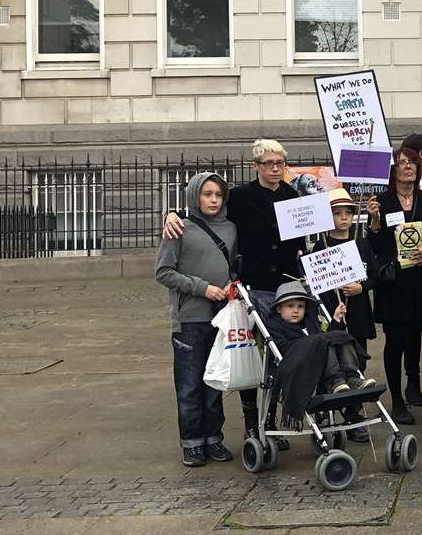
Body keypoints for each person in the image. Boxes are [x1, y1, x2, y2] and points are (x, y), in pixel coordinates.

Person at [162, 138, 302, 440]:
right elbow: (203, 215)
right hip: (251, 289)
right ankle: (253, 423)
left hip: (285, 287)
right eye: (269, 163)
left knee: (280, 355)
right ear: (257, 166)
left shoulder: (294, 195)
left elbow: (303, 239)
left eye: (280, 163)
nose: (275, 168)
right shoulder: (240, 197)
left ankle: (273, 418)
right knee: (251, 357)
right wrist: (171, 215)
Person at [154, 172, 238, 467]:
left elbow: (234, 266)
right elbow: (164, 272)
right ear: (195, 196)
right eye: (207, 194)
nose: (213, 200)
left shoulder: (230, 229)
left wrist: (231, 285)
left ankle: (213, 438)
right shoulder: (179, 228)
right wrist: (202, 288)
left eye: (218, 194)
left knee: (214, 383)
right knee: (189, 385)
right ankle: (192, 442)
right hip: (190, 319)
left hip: (221, 319)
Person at [305, 186, 389, 442]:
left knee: (357, 363)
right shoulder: (321, 245)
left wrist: (360, 286)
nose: (343, 218)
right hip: (332, 312)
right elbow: (313, 280)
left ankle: (353, 415)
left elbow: (376, 276)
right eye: (337, 213)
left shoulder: (360, 243)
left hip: (358, 311)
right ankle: (326, 413)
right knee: (329, 362)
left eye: (347, 213)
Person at [370, 148, 422, 425]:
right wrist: (374, 223)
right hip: (396, 284)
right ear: (393, 170)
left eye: (412, 162)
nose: (408, 167)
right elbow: (375, 248)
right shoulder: (382, 201)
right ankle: (398, 402)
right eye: (402, 163)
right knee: (396, 343)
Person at [264, 282, 374, 429]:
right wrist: (311, 343)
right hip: (298, 365)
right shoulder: (275, 326)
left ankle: (352, 377)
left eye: (300, 306)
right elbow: (282, 349)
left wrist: (335, 319)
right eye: (290, 306)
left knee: (340, 336)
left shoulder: (310, 322)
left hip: (323, 362)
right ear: (279, 309)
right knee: (321, 342)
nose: (296, 310)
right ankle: (335, 381)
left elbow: (328, 337)